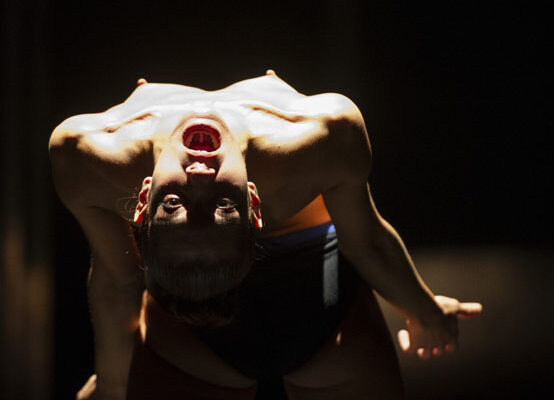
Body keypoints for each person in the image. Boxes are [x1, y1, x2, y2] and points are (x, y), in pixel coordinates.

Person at [49, 71, 482, 400]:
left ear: (144, 199)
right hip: (318, 317)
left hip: (189, 337)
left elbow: (121, 280)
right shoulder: (325, 132)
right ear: (253, 202)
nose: (200, 177)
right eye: (220, 205)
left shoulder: (86, 156)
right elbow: (366, 243)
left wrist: (112, 386)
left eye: (177, 204)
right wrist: (425, 311)